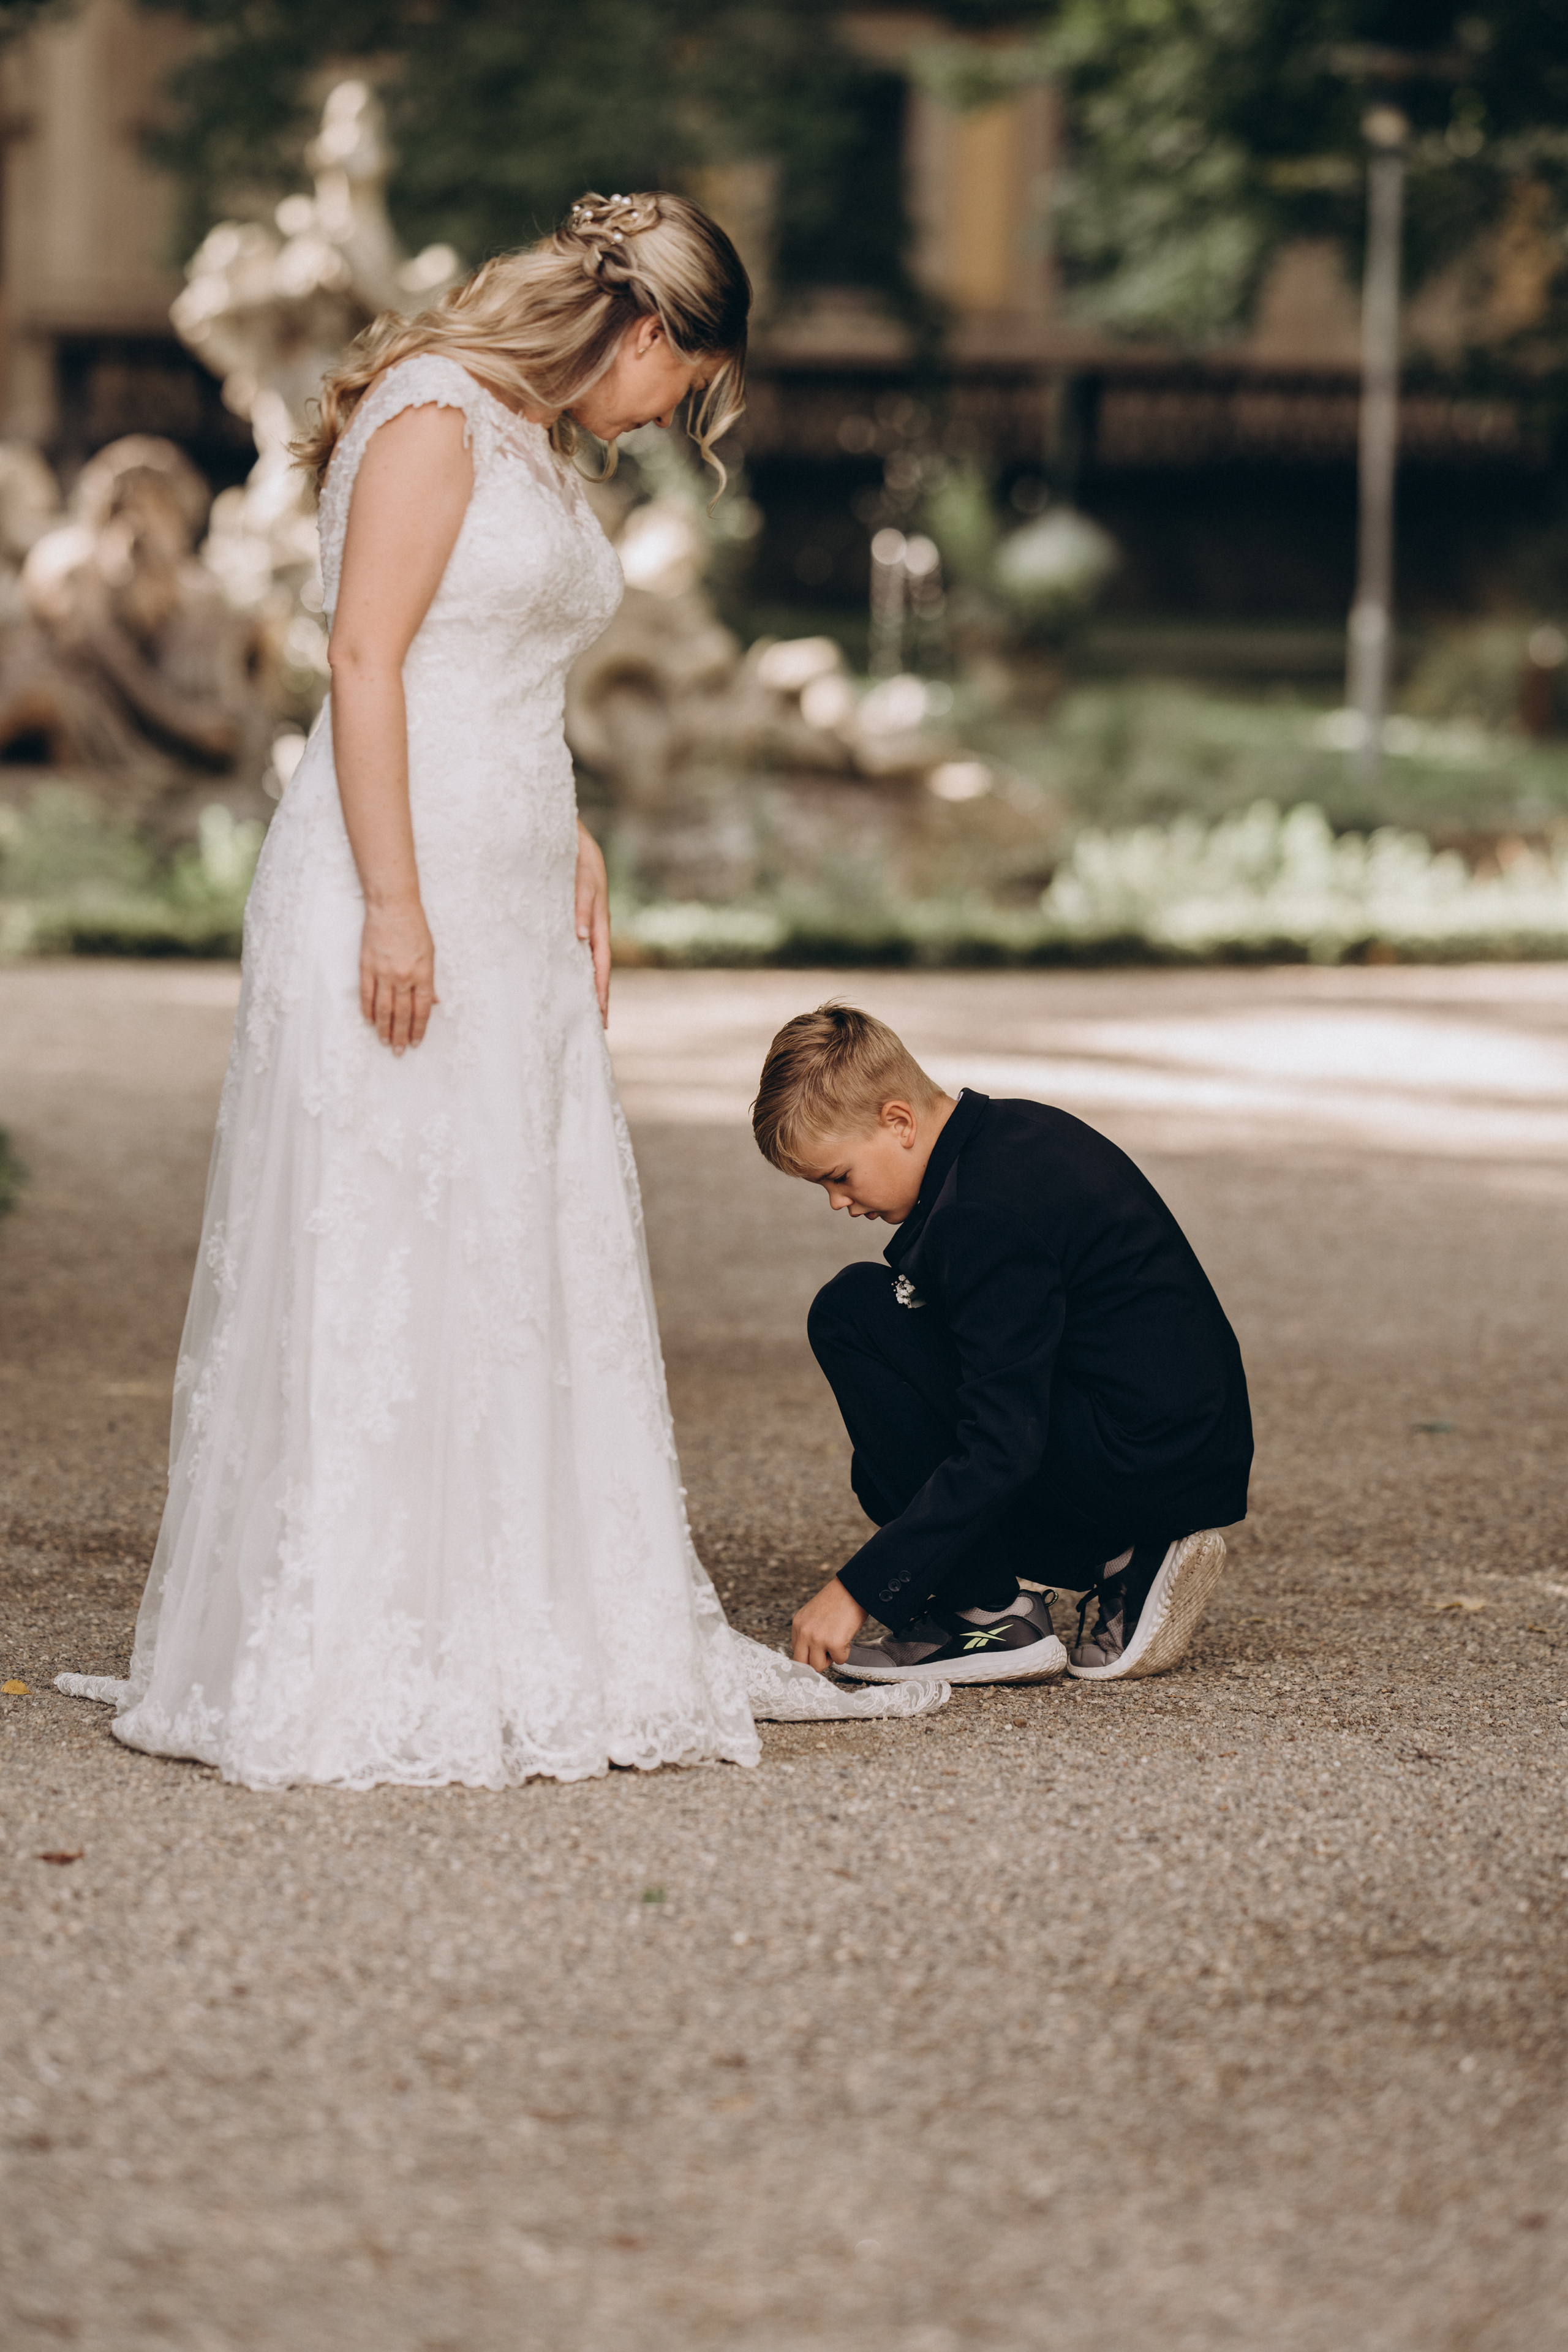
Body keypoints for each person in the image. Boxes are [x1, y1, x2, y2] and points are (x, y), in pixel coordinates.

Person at [56, 195, 941, 1786]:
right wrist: (396, 909)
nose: (677, 415)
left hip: (513, 885)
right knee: (395, 1233)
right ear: (646, 331)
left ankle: (510, 1602)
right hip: (403, 891)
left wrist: (572, 827)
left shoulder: (531, 434)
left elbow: (499, 669)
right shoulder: (431, 415)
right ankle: (371, 1627)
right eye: (689, 380)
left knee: (506, 1236)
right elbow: (366, 665)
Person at [752, 1003, 1253, 1688]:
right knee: (883, 1468)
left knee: (853, 1313)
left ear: (897, 1122)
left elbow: (1003, 1440)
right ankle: (1117, 1558)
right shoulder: (1008, 1140)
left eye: (837, 1176)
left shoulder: (981, 1216)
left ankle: (988, 1614)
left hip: (1142, 1465)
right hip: (1171, 1448)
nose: (837, 1203)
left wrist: (860, 1588)